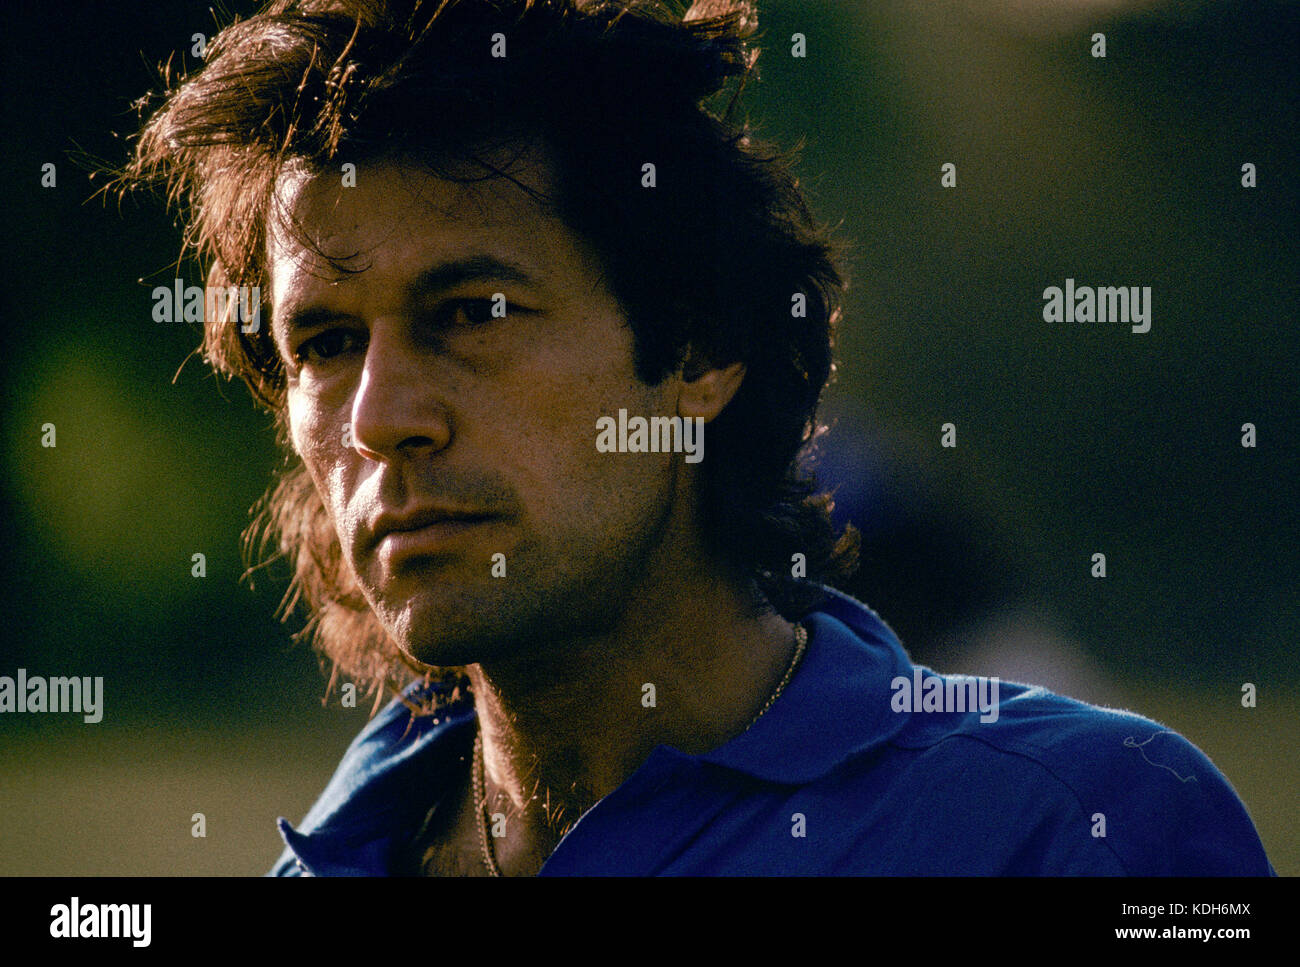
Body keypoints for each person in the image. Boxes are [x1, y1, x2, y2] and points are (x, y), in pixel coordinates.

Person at [122, 0, 1274, 876]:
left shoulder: (1077, 828)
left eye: (472, 313)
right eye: (322, 342)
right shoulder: (335, 857)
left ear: (698, 354)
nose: (379, 416)